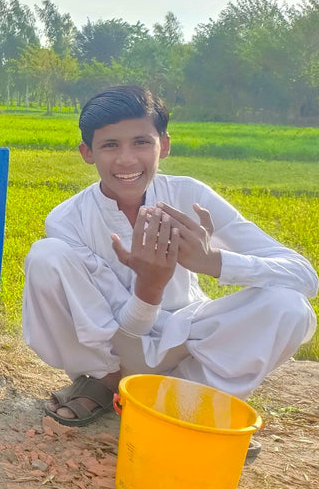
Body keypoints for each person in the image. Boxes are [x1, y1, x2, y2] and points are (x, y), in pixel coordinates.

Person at [23, 85, 318, 428]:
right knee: (46, 256)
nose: (127, 159)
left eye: (141, 142)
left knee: (290, 307)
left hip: (185, 336)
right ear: (87, 152)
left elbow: (304, 276)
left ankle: (189, 400)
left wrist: (214, 262)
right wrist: (149, 288)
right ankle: (105, 383)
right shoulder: (68, 219)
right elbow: (125, 332)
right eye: (110, 145)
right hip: (113, 348)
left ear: (163, 145)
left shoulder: (188, 194)